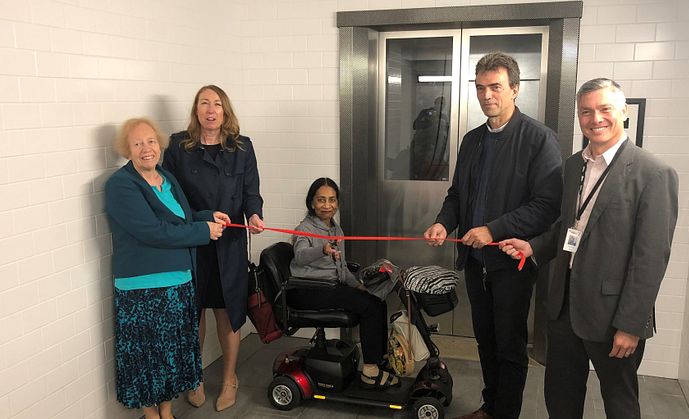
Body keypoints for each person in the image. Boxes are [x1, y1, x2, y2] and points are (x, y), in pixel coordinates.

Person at [498, 78, 678, 419]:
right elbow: (569, 229)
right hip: (564, 309)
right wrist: (531, 246)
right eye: (586, 111)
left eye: (604, 109)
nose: (595, 118)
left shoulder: (653, 173)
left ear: (623, 111)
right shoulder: (573, 166)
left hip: (613, 316)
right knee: (560, 399)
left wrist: (631, 325)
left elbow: (651, 259)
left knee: (619, 403)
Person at [423, 52, 563, 419]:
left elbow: (547, 206)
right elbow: (457, 195)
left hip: (511, 263)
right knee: (486, 341)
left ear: (515, 89)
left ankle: (506, 414)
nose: (487, 95)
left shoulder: (539, 140)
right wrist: (443, 222)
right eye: (481, 87)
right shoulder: (471, 141)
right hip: (475, 264)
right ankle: (491, 406)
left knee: (510, 347)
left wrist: (493, 230)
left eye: (496, 87)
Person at [105, 118, 229, 419]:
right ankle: (151, 415)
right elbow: (153, 231)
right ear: (127, 150)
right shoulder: (121, 185)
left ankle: (167, 411)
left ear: (159, 144)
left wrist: (206, 216)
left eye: (150, 141)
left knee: (171, 354)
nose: (146, 149)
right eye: (137, 144)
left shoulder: (166, 178)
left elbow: (180, 219)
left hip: (179, 282)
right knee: (146, 358)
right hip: (143, 289)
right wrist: (203, 232)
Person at [162, 85, 264, 412]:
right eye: (204, 103)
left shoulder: (242, 148)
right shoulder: (178, 147)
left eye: (216, 104)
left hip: (230, 242)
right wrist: (199, 220)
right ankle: (195, 378)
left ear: (225, 111)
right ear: (196, 111)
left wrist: (254, 215)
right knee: (194, 313)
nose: (210, 109)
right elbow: (172, 198)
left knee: (227, 313)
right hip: (193, 239)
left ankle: (230, 378)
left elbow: (251, 192)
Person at [289, 177, 399, 389]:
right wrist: (321, 249)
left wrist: (358, 285)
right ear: (312, 203)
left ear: (337, 203)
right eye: (321, 200)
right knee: (370, 307)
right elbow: (300, 256)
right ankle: (370, 372)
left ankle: (380, 359)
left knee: (377, 300)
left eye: (332, 200)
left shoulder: (337, 231)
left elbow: (342, 268)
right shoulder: (304, 229)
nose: (327, 205)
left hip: (330, 287)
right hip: (308, 290)